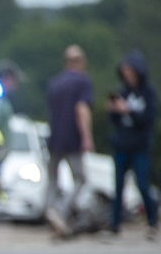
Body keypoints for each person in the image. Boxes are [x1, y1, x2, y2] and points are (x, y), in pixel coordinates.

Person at [106, 50, 158, 239]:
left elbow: (148, 119)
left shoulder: (148, 93)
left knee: (142, 184)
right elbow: (115, 121)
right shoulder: (122, 92)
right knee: (118, 185)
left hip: (140, 146)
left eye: (130, 70)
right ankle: (115, 224)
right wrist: (113, 110)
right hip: (122, 145)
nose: (127, 74)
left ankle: (152, 221)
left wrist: (128, 110)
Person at [44, 44, 95, 238]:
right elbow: (81, 109)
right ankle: (60, 212)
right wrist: (87, 137)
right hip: (72, 138)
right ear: (81, 62)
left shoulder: (55, 83)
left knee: (53, 179)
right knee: (80, 178)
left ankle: (50, 209)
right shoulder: (83, 82)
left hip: (54, 137)